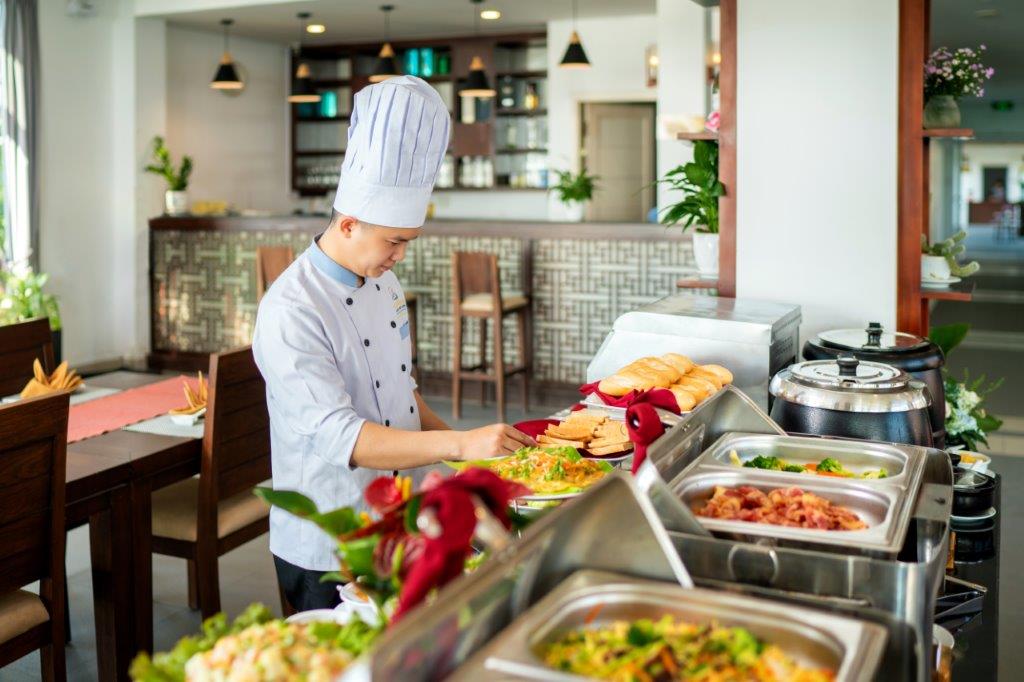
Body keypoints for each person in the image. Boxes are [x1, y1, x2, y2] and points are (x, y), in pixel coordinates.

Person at [253, 76, 534, 612]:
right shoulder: (291, 310)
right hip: (328, 543)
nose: (400, 255)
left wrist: (471, 459)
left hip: (397, 524)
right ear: (349, 224)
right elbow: (347, 440)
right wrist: (460, 445)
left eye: (408, 241)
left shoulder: (384, 282)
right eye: (395, 241)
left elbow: (404, 393)